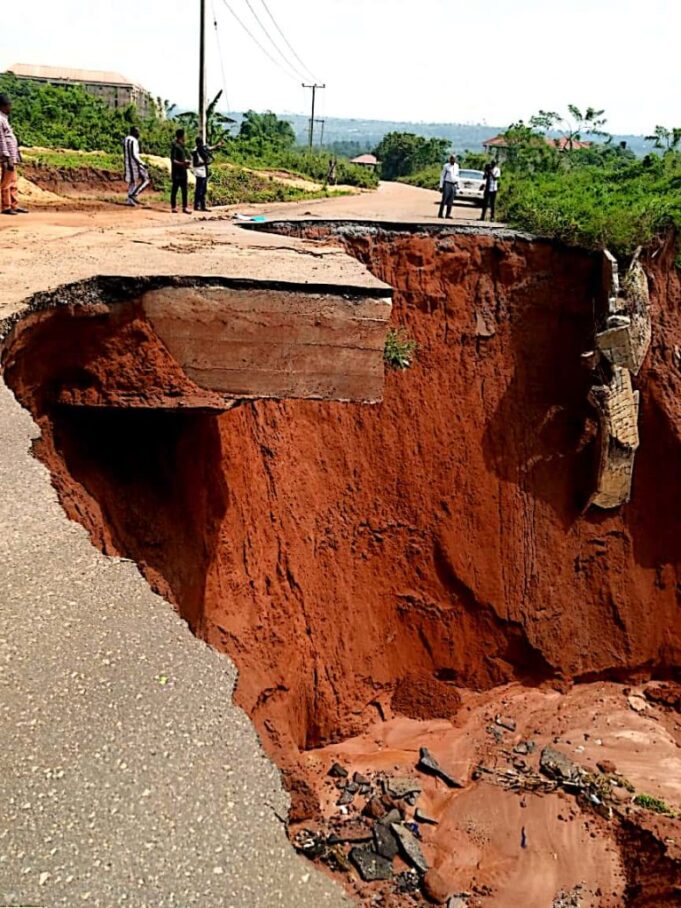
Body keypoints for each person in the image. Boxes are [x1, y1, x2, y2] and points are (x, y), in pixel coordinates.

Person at [0, 93, 28, 216]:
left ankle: (13, 205)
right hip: (7, 157)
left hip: (12, 156)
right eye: (8, 105)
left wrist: (16, 154)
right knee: (6, 182)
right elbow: (1, 140)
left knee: (13, 182)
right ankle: (6, 206)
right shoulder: (0, 120)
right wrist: (6, 157)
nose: (10, 108)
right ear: (2, 106)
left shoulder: (4, 119)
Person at [191, 136, 220, 212]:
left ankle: (202, 206)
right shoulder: (195, 151)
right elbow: (195, 164)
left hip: (203, 171)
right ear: (197, 143)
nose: (201, 144)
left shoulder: (202, 149)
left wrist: (217, 145)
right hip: (199, 172)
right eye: (200, 143)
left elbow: (209, 148)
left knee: (203, 189)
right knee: (199, 189)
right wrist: (205, 163)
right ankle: (197, 206)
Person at [123, 126, 150, 206]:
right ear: (134, 132)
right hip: (135, 164)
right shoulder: (134, 141)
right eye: (137, 131)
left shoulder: (126, 139)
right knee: (146, 180)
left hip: (127, 163)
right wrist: (142, 163)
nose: (139, 133)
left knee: (132, 182)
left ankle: (130, 200)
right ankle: (133, 195)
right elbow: (134, 155)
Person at [170, 128, 191, 214]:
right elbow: (173, 160)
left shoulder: (182, 146)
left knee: (184, 190)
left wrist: (186, 164)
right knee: (175, 189)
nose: (185, 137)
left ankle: (185, 207)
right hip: (176, 172)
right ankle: (173, 207)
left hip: (183, 171)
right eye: (184, 135)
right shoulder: (175, 146)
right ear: (182, 136)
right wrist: (183, 163)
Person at [438, 154, 459, 219]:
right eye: (451, 158)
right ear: (449, 159)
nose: (453, 160)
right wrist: (441, 186)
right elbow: (442, 176)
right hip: (447, 183)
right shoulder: (446, 166)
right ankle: (440, 213)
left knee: (451, 200)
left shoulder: (457, 166)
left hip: (453, 184)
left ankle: (448, 214)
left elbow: (457, 175)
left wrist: (457, 184)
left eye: (454, 159)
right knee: (444, 199)